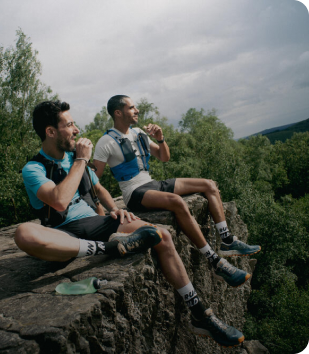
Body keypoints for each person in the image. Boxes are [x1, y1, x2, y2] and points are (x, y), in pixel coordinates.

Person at [15, 100, 247, 347]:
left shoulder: (74, 158)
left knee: (160, 235)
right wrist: (81, 160)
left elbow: (99, 188)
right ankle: (110, 248)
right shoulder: (33, 169)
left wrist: (116, 210)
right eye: (69, 124)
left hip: (94, 223)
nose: (76, 130)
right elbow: (59, 202)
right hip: (63, 235)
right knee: (23, 233)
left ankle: (201, 313)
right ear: (50, 132)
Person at [93, 95, 261, 283]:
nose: (137, 110)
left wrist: (161, 139)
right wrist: (101, 208)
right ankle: (214, 260)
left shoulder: (138, 133)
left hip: (153, 184)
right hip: (134, 192)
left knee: (209, 185)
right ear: (118, 112)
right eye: (132, 107)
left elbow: (164, 157)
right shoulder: (105, 142)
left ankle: (227, 241)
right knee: (176, 202)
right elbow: (94, 180)